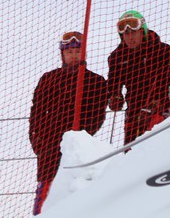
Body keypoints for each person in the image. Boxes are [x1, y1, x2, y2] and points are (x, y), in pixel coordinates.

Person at [28, 32, 108, 215]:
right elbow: (36, 111)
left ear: (84, 53)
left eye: (77, 51)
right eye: (70, 51)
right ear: (62, 54)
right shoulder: (48, 79)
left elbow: (98, 115)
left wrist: (80, 137)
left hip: (75, 145)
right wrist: (37, 139)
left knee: (74, 187)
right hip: (48, 146)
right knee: (46, 189)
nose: (73, 55)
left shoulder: (96, 82)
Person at [106, 10, 170, 145]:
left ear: (143, 31)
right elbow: (113, 83)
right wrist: (114, 96)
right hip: (134, 113)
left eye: (134, 32)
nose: (130, 37)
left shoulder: (163, 51)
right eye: (126, 34)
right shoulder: (116, 58)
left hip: (161, 107)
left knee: (161, 147)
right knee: (130, 151)